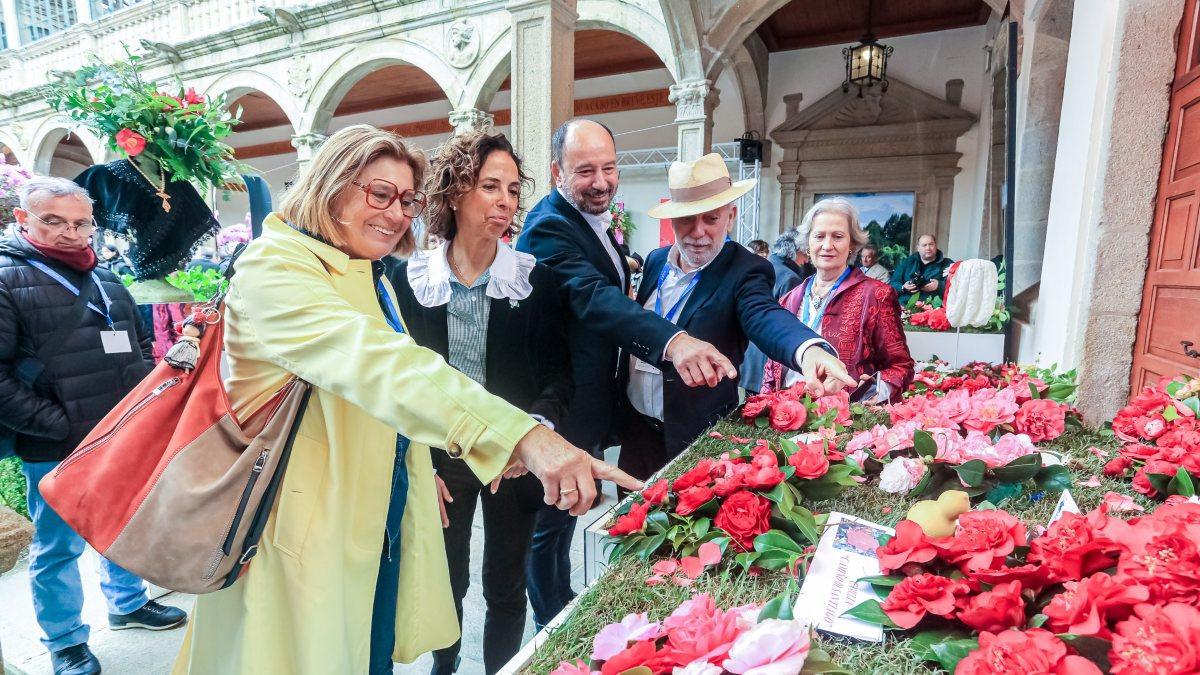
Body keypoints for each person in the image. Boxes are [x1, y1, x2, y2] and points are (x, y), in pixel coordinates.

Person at [172, 125, 639, 675]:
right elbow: (389, 368)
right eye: (379, 194)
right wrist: (526, 437)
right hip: (297, 535)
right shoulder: (276, 267)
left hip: (370, 525)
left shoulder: (368, 273)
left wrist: (420, 474)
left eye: (405, 200)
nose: (396, 214)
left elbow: (385, 408)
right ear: (331, 185)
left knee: (397, 637)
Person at [516, 118, 739, 627]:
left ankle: (563, 599)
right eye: (586, 171)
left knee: (568, 517)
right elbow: (595, 299)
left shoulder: (594, 221)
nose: (601, 181)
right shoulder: (548, 224)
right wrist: (673, 340)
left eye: (610, 168)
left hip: (593, 403)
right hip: (563, 405)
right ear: (557, 172)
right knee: (549, 524)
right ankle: (553, 621)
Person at [386, 131, 572, 675]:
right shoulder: (409, 280)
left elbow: (558, 378)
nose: (505, 202)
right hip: (441, 459)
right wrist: (418, 460)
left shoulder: (535, 282)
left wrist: (530, 437)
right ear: (454, 192)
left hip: (512, 461)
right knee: (448, 582)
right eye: (490, 186)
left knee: (506, 586)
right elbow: (398, 382)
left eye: (513, 190)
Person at [0, 177, 187, 675]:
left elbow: (141, 346)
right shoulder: (4, 277)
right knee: (57, 545)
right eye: (53, 221)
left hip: (117, 434)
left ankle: (126, 604)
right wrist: (57, 423)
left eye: (81, 223)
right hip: (54, 442)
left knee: (121, 523)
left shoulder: (107, 278)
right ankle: (64, 639)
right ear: (23, 219)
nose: (70, 233)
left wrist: (143, 407)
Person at [619, 154, 856, 482]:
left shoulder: (745, 269)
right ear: (672, 219)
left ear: (730, 217)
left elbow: (763, 314)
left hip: (694, 436)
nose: (698, 232)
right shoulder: (657, 261)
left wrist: (809, 350)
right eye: (687, 219)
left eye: (711, 219)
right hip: (635, 431)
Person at [763, 198, 914, 402]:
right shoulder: (788, 299)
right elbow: (771, 371)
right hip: (787, 414)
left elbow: (900, 366)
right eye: (819, 236)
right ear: (808, 243)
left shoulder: (876, 295)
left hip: (844, 420)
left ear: (852, 244)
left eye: (837, 236)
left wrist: (870, 392)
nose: (827, 245)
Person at [738, 229, 809, 394]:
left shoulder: (761, 266)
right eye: (804, 253)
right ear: (793, 252)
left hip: (750, 358)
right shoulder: (790, 278)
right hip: (766, 361)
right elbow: (786, 327)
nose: (806, 259)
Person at [891, 233, 953, 304]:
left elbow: (958, 286)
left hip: (933, 308)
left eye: (931, 244)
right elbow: (893, 283)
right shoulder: (908, 262)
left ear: (936, 246)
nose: (928, 248)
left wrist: (939, 286)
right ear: (918, 248)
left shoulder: (948, 264)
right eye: (924, 245)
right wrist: (903, 287)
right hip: (905, 305)